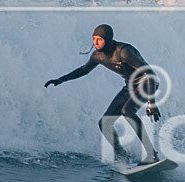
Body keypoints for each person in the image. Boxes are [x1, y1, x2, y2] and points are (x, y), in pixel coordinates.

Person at [45, 24, 161, 165]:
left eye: (99, 39)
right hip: (130, 86)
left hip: (146, 83)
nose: (95, 43)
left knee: (127, 111)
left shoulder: (124, 51)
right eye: (94, 39)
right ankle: (121, 156)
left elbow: (150, 74)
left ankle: (152, 155)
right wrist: (61, 79)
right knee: (104, 122)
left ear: (108, 39)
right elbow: (84, 70)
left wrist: (151, 102)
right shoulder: (97, 56)